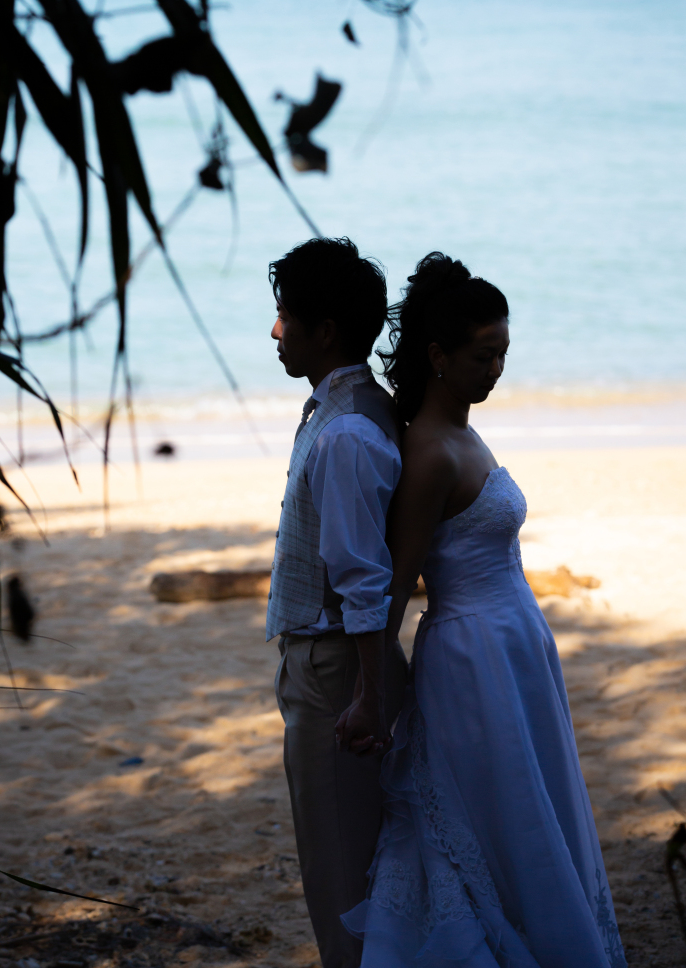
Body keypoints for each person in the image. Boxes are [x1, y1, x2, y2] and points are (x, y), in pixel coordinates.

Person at [339, 252, 626, 968]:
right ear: (438, 355)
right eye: (483, 354)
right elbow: (396, 583)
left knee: (532, 806)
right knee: (493, 815)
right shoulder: (431, 452)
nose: (496, 368)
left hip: (514, 642)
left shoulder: (465, 431)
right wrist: (372, 695)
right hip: (473, 656)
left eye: (502, 353)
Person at [267, 237, 408, 968]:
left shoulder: (348, 429)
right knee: (352, 863)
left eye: (284, 315)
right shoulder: (347, 411)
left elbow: (362, 581)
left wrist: (365, 692)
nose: (274, 330)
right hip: (333, 667)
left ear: (324, 329)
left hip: (333, 673)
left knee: (339, 872)